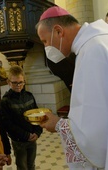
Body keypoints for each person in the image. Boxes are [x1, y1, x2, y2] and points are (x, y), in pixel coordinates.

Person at [35, 5, 108, 170]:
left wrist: (59, 124)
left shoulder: (93, 50)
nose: (46, 48)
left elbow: (97, 125)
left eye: (45, 41)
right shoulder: (98, 41)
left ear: (59, 31)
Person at [0, 65, 43, 170]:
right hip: (19, 141)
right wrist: (25, 135)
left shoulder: (29, 96)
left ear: (24, 81)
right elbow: (8, 124)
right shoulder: (6, 101)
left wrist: (37, 132)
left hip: (32, 138)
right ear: (8, 82)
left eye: (20, 82)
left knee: (31, 165)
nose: (18, 85)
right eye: (14, 82)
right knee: (22, 167)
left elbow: (37, 116)